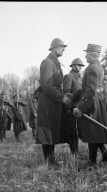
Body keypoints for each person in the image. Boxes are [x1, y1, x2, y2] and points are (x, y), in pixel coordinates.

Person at [73, 44, 107, 167]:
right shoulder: (97, 67)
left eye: (87, 53)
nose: (85, 56)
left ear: (92, 54)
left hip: (92, 103)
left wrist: (80, 107)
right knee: (94, 131)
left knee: (91, 131)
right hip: (97, 101)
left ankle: (93, 161)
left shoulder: (92, 68)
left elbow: (90, 91)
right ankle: (104, 153)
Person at [36, 38, 70, 169]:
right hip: (48, 104)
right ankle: (49, 162)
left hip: (53, 102)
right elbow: (46, 85)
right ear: (55, 48)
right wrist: (61, 97)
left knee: (52, 131)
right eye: (62, 47)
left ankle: (51, 160)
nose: (63, 50)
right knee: (47, 132)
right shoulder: (48, 62)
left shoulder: (54, 62)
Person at [62, 58, 84, 157]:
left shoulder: (79, 78)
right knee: (72, 132)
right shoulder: (68, 76)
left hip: (78, 109)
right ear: (73, 65)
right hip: (71, 109)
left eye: (81, 66)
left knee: (77, 131)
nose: (80, 67)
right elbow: (66, 95)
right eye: (79, 65)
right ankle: (74, 152)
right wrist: (70, 107)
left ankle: (77, 151)